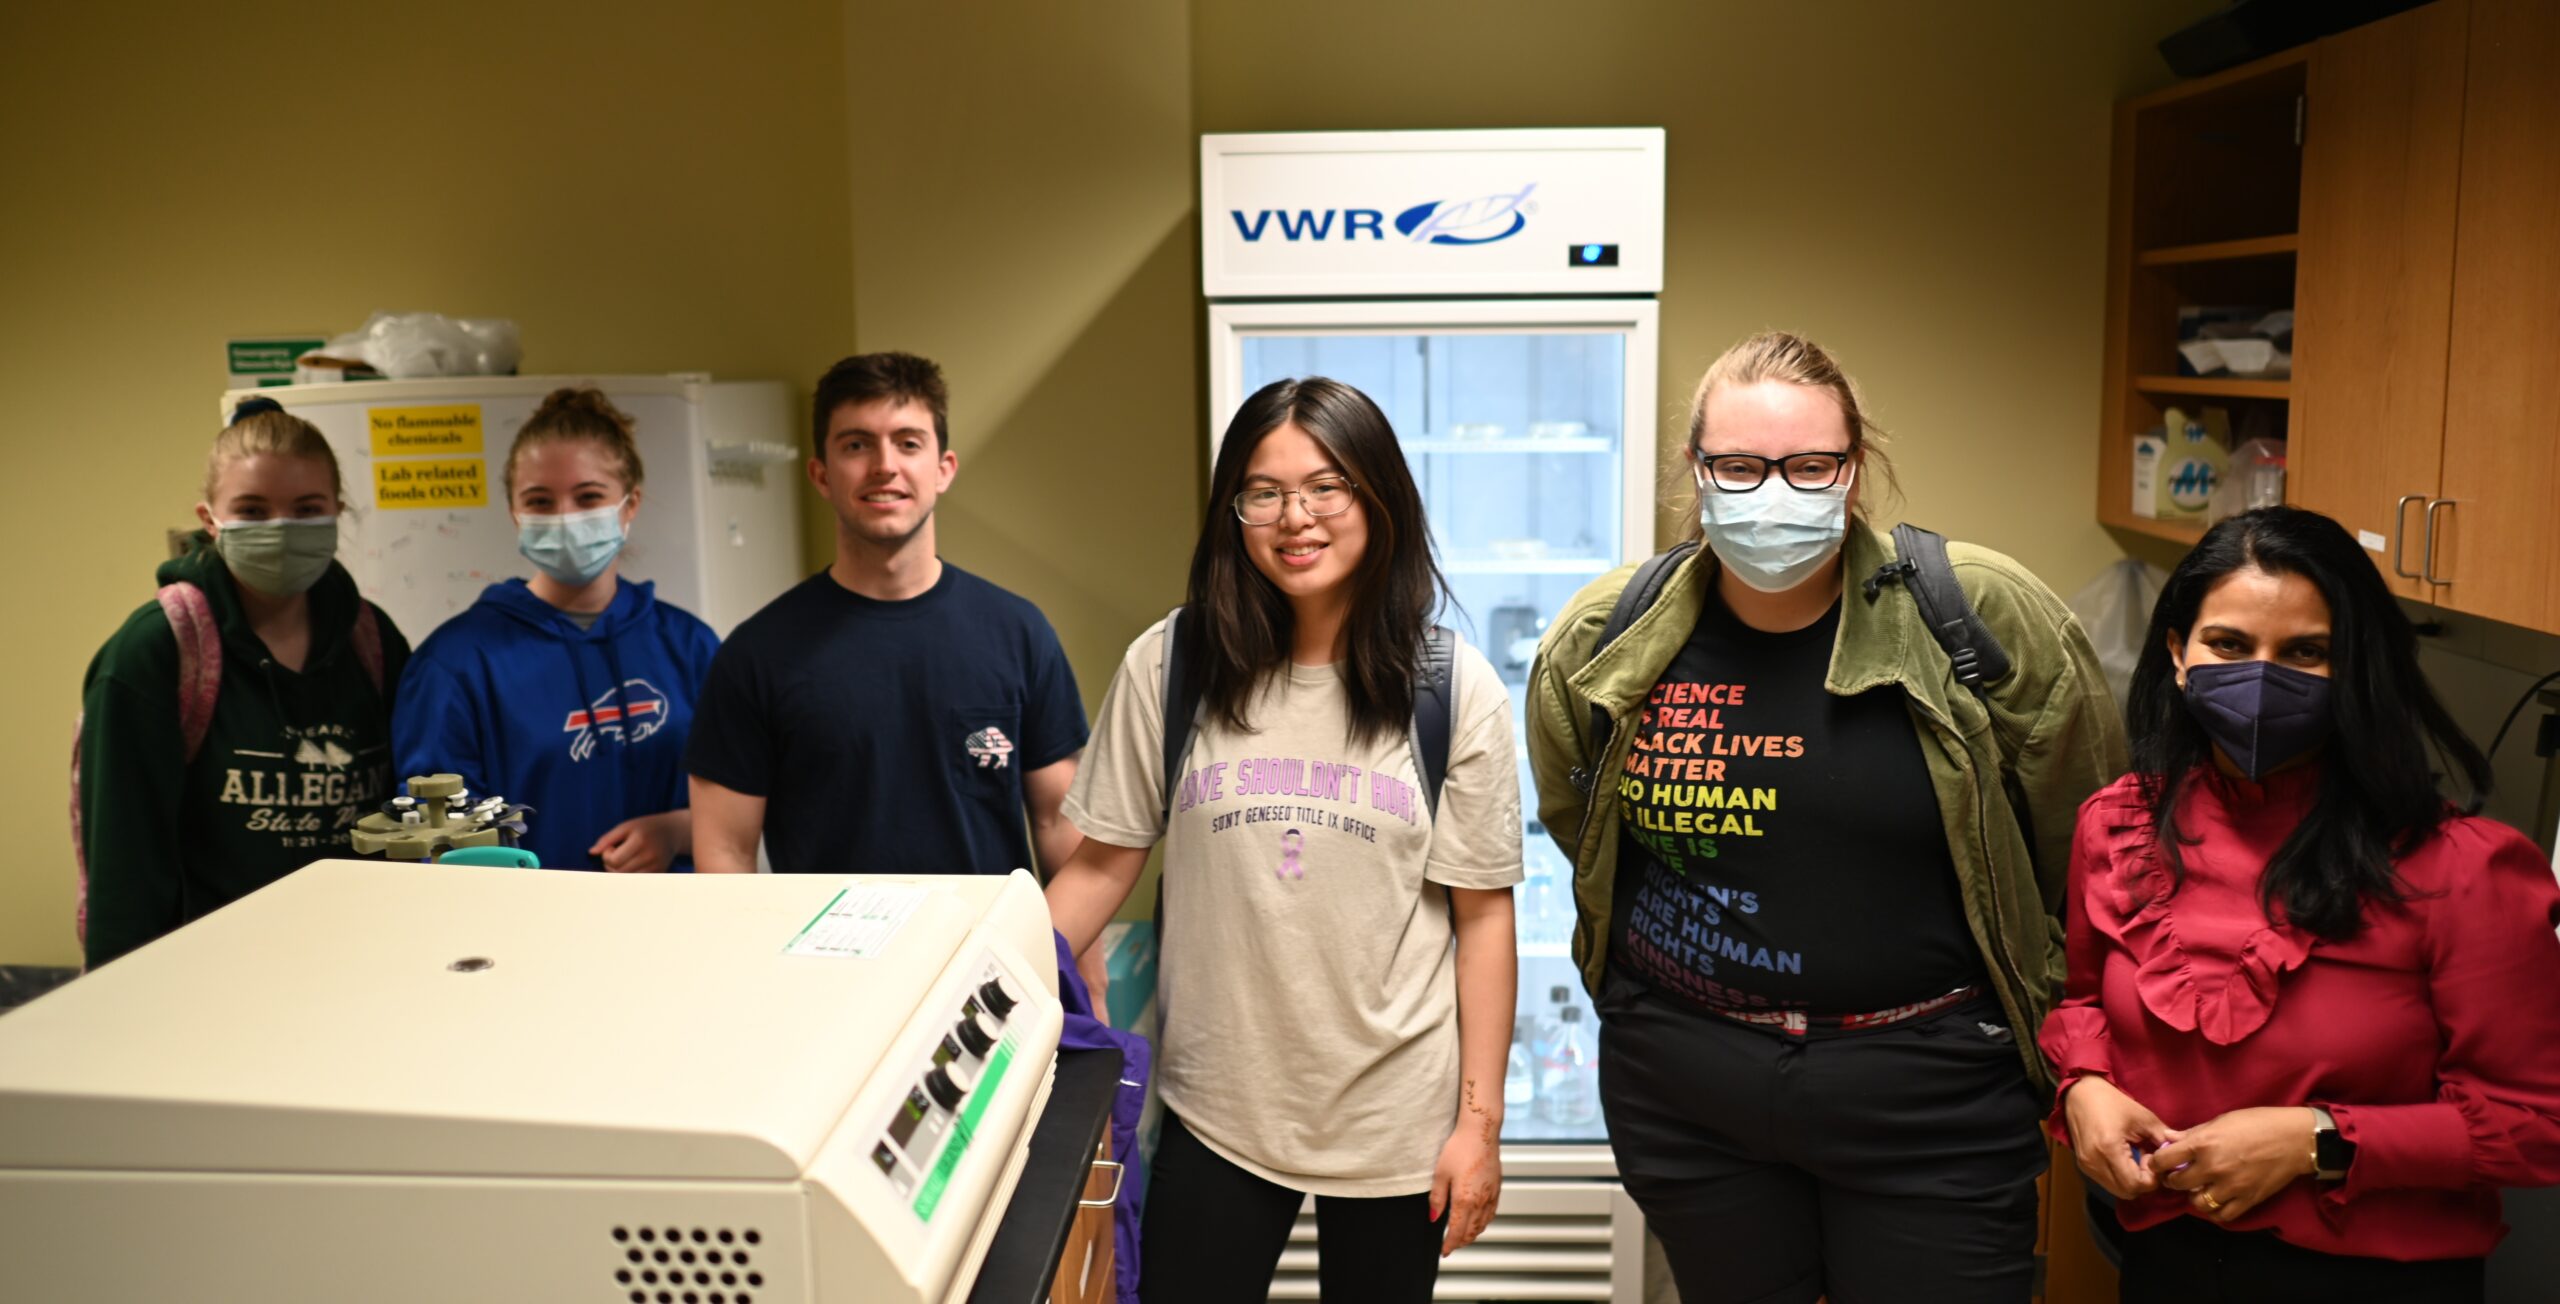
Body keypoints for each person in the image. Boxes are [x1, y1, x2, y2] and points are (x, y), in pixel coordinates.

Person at [1524, 330, 2126, 1304]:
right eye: (1740, 465)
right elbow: (1579, 820)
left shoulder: (1980, 610)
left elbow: (2096, 851)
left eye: (1810, 465)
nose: (1775, 491)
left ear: (1854, 469)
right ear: (1696, 470)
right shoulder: (1608, 632)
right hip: (1690, 1091)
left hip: (1932, 1094)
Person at [1044, 377, 1522, 1302]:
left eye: (1326, 485)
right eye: (1262, 491)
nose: (1293, 517)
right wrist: (971, 990)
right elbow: (1101, 865)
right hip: (1217, 1106)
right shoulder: (1175, 664)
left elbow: (1483, 922)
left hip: (1398, 1120)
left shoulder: (1451, 690)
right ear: (1233, 511)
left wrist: (1479, 1126)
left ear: (1379, 496)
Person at [2042, 507, 2560, 1303]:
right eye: (2230, 645)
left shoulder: (2464, 870)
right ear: (2178, 652)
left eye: (2305, 653)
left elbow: (2536, 1122)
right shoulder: (2117, 827)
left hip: (2373, 1279)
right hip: (2163, 1259)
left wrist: (2316, 1140)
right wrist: (2084, 1087)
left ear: (2357, 666)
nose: (2260, 675)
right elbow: (2084, 1002)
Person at [685, 352, 1084, 877]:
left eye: (908, 442)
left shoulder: (1019, 634)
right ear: (821, 474)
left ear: (943, 470)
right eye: (856, 444)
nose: (884, 465)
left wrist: (1078, 963)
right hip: (825, 957)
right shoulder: (755, 655)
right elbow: (726, 853)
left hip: (986, 956)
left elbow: (1060, 826)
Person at [77, 397, 411, 967]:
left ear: (338, 512)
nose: (281, 531)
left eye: (307, 509)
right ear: (211, 521)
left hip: (360, 962)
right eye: (253, 511)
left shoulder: (373, 641)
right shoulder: (156, 652)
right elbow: (123, 873)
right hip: (213, 976)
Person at [392, 386, 719, 872]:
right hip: (526, 933)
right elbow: (436, 838)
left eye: (588, 497)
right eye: (540, 501)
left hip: (674, 924)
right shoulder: (456, 663)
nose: (565, 518)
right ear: (515, 514)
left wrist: (674, 832)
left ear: (629, 506)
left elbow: (745, 804)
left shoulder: (689, 646)